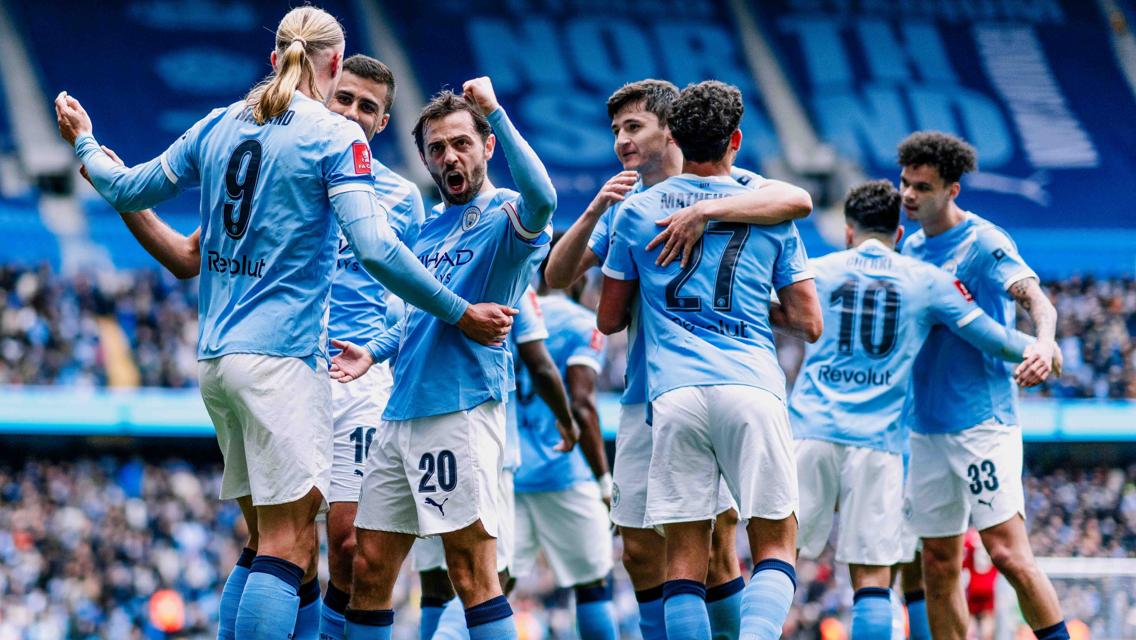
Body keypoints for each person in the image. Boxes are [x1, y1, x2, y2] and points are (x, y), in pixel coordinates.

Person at [55, 9, 513, 640]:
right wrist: (460, 310)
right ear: (332, 67)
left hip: (221, 361)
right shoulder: (330, 139)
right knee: (288, 544)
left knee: (279, 542)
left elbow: (128, 187)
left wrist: (83, 142)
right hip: (285, 362)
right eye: (344, 89)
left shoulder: (221, 124)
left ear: (276, 60)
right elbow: (378, 250)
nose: (351, 109)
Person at [544, 79, 812, 640]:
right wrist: (596, 209)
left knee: (713, 546)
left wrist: (707, 213)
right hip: (654, 390)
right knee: (641, 549)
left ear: (671, 130)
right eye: (615, 130)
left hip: (679, 387)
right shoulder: (626, 209)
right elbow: (557, 276)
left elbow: (797, 199)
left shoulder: (742, 193)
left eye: (633, 126)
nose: (621, 140)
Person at [328, 77, 555, 640]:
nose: (449, 156)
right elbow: (415, 318)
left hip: (457, 408)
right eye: (436, 148)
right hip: (399, 411)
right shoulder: (426, 229)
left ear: (486, 148)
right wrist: (373, 350)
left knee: (471, 569)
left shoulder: (506, 215)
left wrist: (496, 112)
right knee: (370, 564)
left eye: (461, 143)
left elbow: (544, 199)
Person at [787, 180, 1051, 640]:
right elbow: (990, 335)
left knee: (777, 559)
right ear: (900, 232)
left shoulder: (817, 269)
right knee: (873, 578)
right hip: (882, 442)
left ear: (847, 231)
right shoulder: (925, 280)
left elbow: (770, 308)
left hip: (810, 430)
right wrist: (1043, 348)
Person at [897, 131, 1068, 640]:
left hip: (982, 424)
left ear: (951, 191)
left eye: (921, 188)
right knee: (939, 562)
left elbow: (1037, 299)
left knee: (1008, 555)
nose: (908, 196)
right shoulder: (910, 245)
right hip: (925, 429)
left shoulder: (983, 241)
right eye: (905, 184)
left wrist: (1043, 342)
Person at [415, 285, 581, 640]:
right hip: (484, 441)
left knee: (435, 579)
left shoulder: (423, 264)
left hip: (419, 432)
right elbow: (538, 363)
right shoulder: (514, 280)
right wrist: (565, 420)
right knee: (493, 575)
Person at [511, 235, 617, 640]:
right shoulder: (580, 323)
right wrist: (604, 481)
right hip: (564, 474)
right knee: (593, 583)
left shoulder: (514, 313)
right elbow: (583, 405)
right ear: (579, 277)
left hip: (511, 471)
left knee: (492, 586)